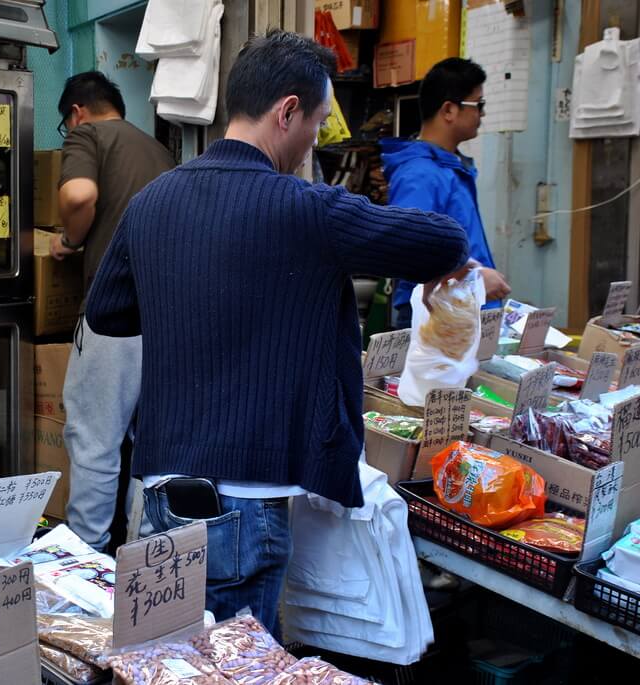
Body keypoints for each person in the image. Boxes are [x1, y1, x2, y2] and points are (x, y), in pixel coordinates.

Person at [85, 31, 471, 637]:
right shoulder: (308, 208)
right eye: (316, 123)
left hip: (159, 495)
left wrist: (185, 306)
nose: (313, 141)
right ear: (287, 110)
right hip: (244, 506)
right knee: (240, 667)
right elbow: (443, 241)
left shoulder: (151, 203)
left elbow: (106, 311)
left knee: (168, 663)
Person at [49, 71, 175, 551]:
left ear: (77, 112)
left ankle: (86, 559)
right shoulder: (160, 151)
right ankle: (142, 556)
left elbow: (79, 195)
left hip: (113, 313)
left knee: (96, 443)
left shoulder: (87, 135)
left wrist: (69, 239)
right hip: (165, 317)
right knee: (149, 448)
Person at [382, 57, 511, 329]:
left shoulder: (450, 168)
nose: (482, 115)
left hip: (460, 313)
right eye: (479, 105)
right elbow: (408, 250)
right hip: (435, 320)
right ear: (449, 110)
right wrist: (475, 278)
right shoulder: (420, 174)